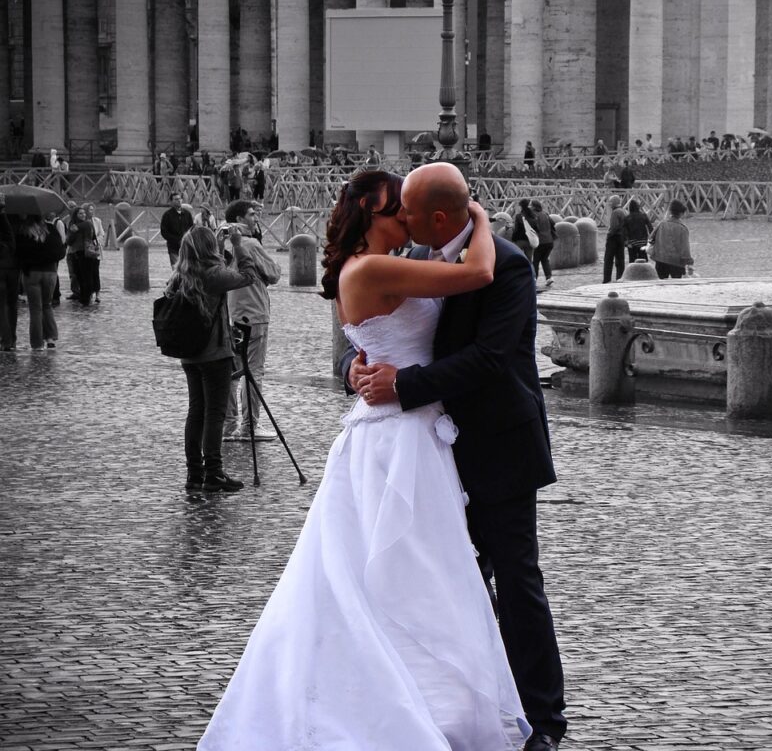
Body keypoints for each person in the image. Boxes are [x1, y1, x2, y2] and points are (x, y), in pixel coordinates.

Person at [197, 168, 532, 750]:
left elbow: (369, 345)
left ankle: (429, 698)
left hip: (410, 430)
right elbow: (476, 272)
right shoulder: (373, 267)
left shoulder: (381, 264)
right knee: (405, 575)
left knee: (415, 577)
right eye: (394, 209)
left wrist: (358, 366)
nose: (405, 215)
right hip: (397, 439)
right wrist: (476, 214)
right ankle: (403, 708)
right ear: (367, 216)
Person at [345, 162, 566, 751]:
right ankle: (450, 706)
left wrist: (404, 386)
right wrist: (359, 366)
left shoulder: (509, 265)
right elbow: (385, 323)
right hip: (429, 454)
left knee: (517, 586)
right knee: (441, 586)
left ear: (439, 217)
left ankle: (543, 722)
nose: (402, 221)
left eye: (408, 211)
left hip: (497, 446)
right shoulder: (420, 254)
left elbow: (491, 358)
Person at [165, 226, 259, 495]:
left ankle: (194, 473)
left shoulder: (179, 276)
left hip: (189, 353)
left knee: (196, 412)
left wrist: (219, 247)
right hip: (214, 352)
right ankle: (214, 473)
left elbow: (221, 272)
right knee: (214, 414)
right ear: (208, 249)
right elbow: (247, 276)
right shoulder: (213, 275)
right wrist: (239, 245)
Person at [221, 200, 282, 442]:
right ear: (239, 218)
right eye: (251, 214)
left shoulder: (222, 243)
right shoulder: (250, 244)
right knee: (253, 372)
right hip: (254, 313)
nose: (256, 218)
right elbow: (274, 273)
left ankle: (228, 426)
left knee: (231, 371)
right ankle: (248, 427)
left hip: (231, 313)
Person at [15, 215, 65, 350]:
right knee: (47, 305)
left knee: (35, 309)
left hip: (32, 273)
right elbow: (61, 251)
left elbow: (18, 253)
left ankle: (37, 344)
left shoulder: (24, 231)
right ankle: (50, 338)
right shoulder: (51, 229)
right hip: (50, 272)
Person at [647, 199, 693, 279]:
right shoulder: (683, 228)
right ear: (681, 213)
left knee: (661, 285)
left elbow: (651, 238)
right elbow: (685, 248)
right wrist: (689, 262)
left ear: (670, 211)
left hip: (661, 259)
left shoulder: (662, 224)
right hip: (676, 262)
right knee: (676, 286)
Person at [66, 207, 100, 306]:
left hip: (85, 252)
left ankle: (85, 298)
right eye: (80, 213)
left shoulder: (80, 225)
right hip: (78, 253)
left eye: (84, 213)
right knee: (81, 275)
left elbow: (69, 240)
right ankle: (84, 296)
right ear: (76, 215)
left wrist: (75, 230)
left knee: (86, 276)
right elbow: (70, 241)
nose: (83, 215)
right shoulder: (83, 224)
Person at [0, 194, 18, 351]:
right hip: (12, 268)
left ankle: (6, 340)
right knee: (12, 305)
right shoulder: (15, 222)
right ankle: (11, 338)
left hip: (4, 269)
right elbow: (11, 242)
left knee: (2, 306)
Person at [160, 192, 194, 267]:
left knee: (186, 268)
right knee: (176, 269)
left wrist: (188, 239)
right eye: (176, 199)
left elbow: (192, 228)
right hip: (173, 247)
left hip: (186, 246)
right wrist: (175, 240)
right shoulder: (167, 215)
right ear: (171, 202)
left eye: (180, 199)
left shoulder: (187, 214)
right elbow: (164, 232)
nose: (179, 201)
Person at [530, 199, 557, 287]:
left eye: (531, 205)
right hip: (549, 241)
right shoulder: (545, 214)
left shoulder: (533, 215)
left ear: (534, 206)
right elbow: (553, 223)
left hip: (540, 241)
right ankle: (549, 278)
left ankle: (534, 279)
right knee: (545, 259)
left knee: (536, 261)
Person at [602, 194, 628, 283]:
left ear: (614, 203)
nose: (609, 204)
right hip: (621, 238)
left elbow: (614, 227)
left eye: (610, 202)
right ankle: (620, 278)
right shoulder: (623, 211)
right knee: (620, 260)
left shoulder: (615, 212)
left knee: (608, 260)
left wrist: (609, 235)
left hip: (614, 238)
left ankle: (606, 279)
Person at [511, 197, 539, 266]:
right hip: (530, 241)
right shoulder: (533, 216)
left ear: (521, 206)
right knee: (529, 261)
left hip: (519, 240)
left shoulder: (518, 216)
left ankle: (520, 274)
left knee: (517, 259)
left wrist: (513, 239)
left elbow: (516, 230)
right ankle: (531, 275)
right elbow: (536, 229)